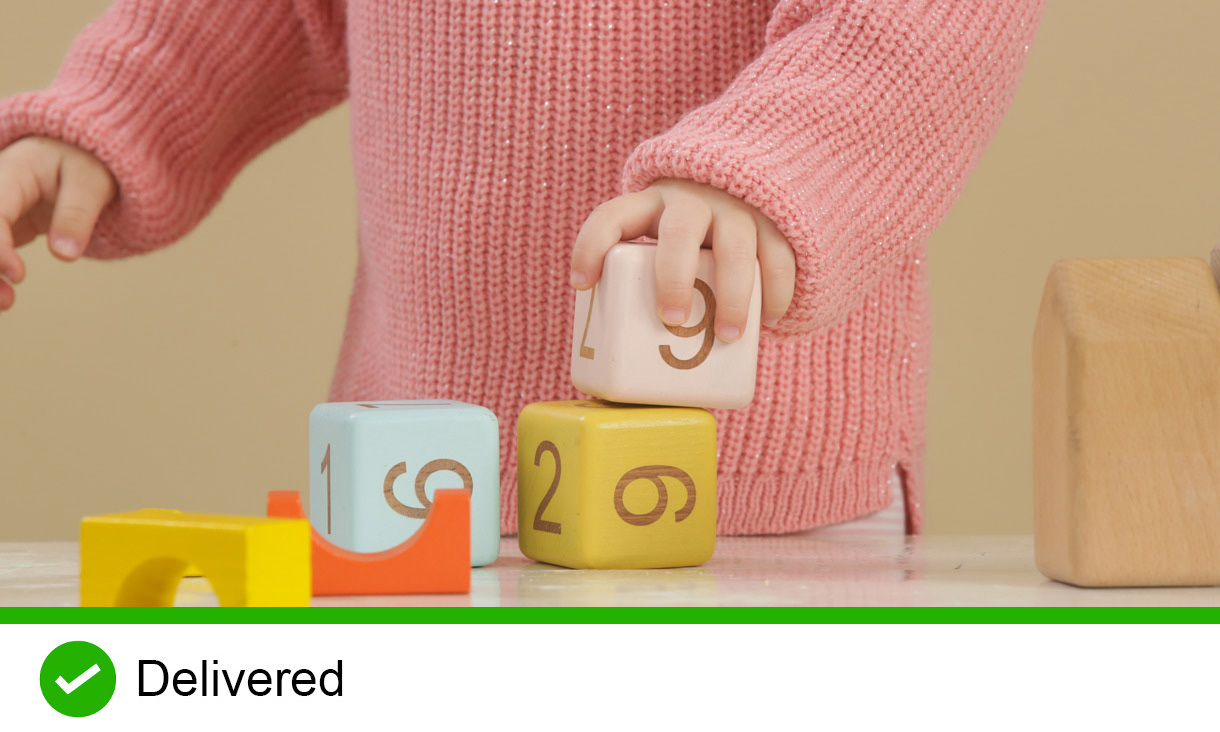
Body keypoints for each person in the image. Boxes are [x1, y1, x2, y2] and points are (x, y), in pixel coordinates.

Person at [0, 0, 1044, 536]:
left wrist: (771, 164)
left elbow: (918, 24)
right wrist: (111, 113)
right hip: (410, 485)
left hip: (751, 498)